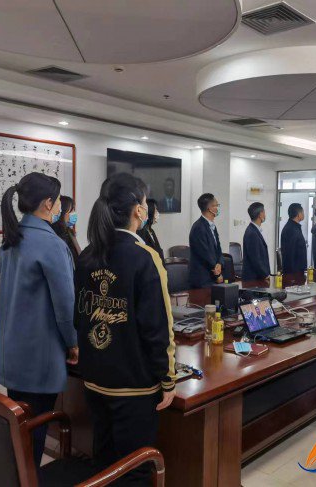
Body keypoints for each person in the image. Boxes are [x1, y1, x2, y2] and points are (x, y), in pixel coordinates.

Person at [75, 173, 176, 485]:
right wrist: (168, 378)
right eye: (145, 202)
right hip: (133, 386)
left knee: (104, 463)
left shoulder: (88, 254)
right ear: (138, 210)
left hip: (94, 378)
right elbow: (157, 328)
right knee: (135, 469)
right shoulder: (145, 257)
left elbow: (80, 316)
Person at [0, 172, 79, 467]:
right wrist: (73, 343)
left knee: (19, 433)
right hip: (39, 356)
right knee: (33, 437)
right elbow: (65, 305)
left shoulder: (11, 239)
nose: (59, 207)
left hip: (13, 351)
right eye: (57, 202)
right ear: (47, 203)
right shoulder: (51, 244)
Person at [189, 193, 223, 288]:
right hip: (202, 278)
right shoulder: (198, 227)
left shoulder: (212, 225)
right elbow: (205, 254)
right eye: (216, 205)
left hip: (212, 276)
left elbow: (218, 249)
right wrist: (217, 274)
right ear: (210, 208)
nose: (218, 208)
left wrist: (220, 263)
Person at [242, 202, 270, 281]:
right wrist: (266, 275)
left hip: (257, 278)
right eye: (264, 212)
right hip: (254, 279)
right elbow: (256, 259)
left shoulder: (254, 230)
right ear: (260, 215)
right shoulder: (252, 233)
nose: (265, 214)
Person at [51, 195, 81, 262]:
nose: (74, 213)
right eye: (71, 210)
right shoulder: (56, 235)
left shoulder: (69, 232)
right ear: (62, 213)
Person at [280, 203, 307, 274]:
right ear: (298, 214)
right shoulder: (291, 229)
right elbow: (290, 254)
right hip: (294, 273)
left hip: (297, 271)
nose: (304, 214)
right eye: (302, 212)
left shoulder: (294, 227)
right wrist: (293, 276)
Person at [138, 198, 165, 263]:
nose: (157, 213)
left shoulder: (151, 230)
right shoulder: (141, 232)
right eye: (156, 211)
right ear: (150, 212)